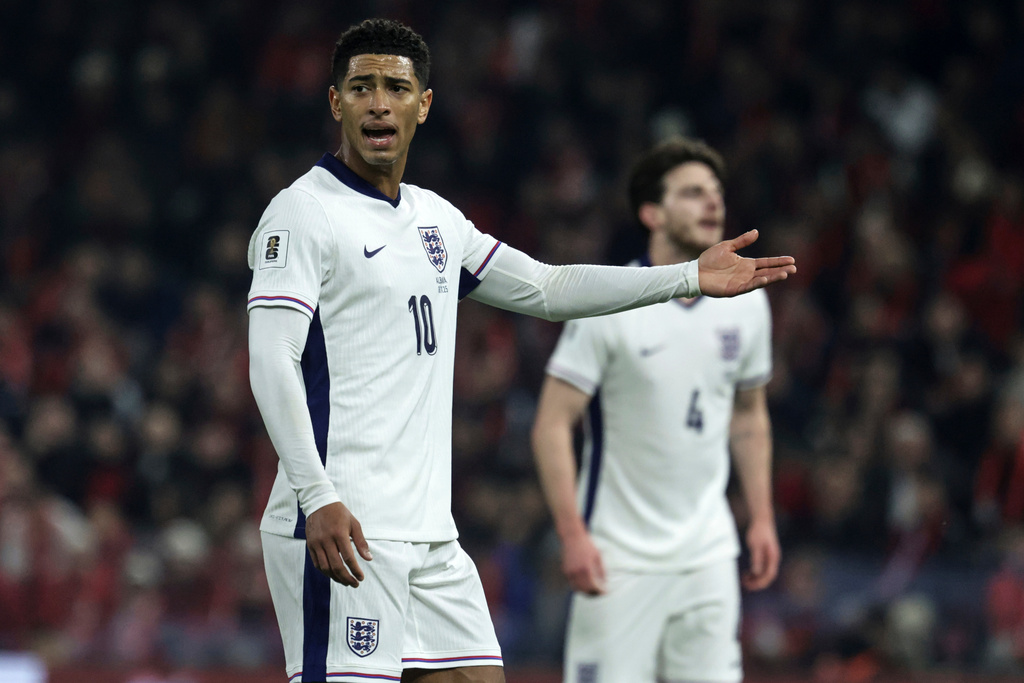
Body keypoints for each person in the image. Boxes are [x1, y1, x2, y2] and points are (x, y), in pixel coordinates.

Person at [246, 19, 794, 683]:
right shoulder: (303, 214)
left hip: (428, 535)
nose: (378, 103)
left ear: (424, 103)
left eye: (396, 86)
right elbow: (271, 360)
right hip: (345, 524)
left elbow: (547, 285)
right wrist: (316, 495)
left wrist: (685, 276)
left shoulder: (434, 219)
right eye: (361, 87)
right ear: (336, 103)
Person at [531, 137, 782, 683]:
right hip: (618, 557)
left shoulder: (748, 302)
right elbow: (553, 423)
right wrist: (572, 534)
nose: (712, 203)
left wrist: (761, 517)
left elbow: (748, 415)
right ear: (652, 212)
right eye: (692, 193)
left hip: (709, 553)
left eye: (715, 193)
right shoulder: (611, 302)